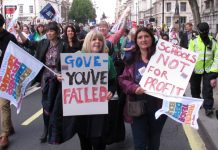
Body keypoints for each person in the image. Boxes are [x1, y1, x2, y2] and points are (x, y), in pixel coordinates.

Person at [15, 21, 77, 144]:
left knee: (57, 106)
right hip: (45, 79)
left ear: (56, 32)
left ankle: (56, 131)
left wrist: (63, 74)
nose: (49, 33)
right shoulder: (43, 43)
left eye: (51, 31)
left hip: (59, 78)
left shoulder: (63, 45)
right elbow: (28, 43)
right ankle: (46, 130)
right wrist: (18, 32)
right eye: (47, 31)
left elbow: (70, 63)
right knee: (46, 105)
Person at [118, 27, 167, 150]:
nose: (143, 39)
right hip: (137, 106)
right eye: (140, 37)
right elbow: (122, 79)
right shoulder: (131, 59)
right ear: (136, 41)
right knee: (139, 144)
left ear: (152, 38)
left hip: (158, 107)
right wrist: (133, 88)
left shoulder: (163, 59)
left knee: (154, 143)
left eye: (146, 36)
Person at [77, 30, 117, 150]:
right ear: (88, 42)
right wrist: (61, 77)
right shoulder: (77, 57)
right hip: (81, 108)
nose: (97, 42)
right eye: (94, 39)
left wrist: (111, 90)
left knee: (99, 141)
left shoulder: (107, 59)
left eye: (100, 39)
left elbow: (113, 81)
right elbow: (68, 78)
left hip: (100, 107)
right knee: (84, 142)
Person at [188, 22, 218, 117]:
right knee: (194, 88)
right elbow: (189, 55)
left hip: (209, 70)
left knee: (208, 89)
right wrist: (189, 70)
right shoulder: (194, 41)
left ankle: (208, 107)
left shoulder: (213, 42)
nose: (204, 33)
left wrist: (213, 74)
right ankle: (197, 102)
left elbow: (217, 58)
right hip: (195, 70)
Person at [0, 14, 16, 148]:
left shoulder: (10, 38)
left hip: (6, 76)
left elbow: (16, 57)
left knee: (3, 104)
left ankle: (4, 134)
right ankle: (9, 127)